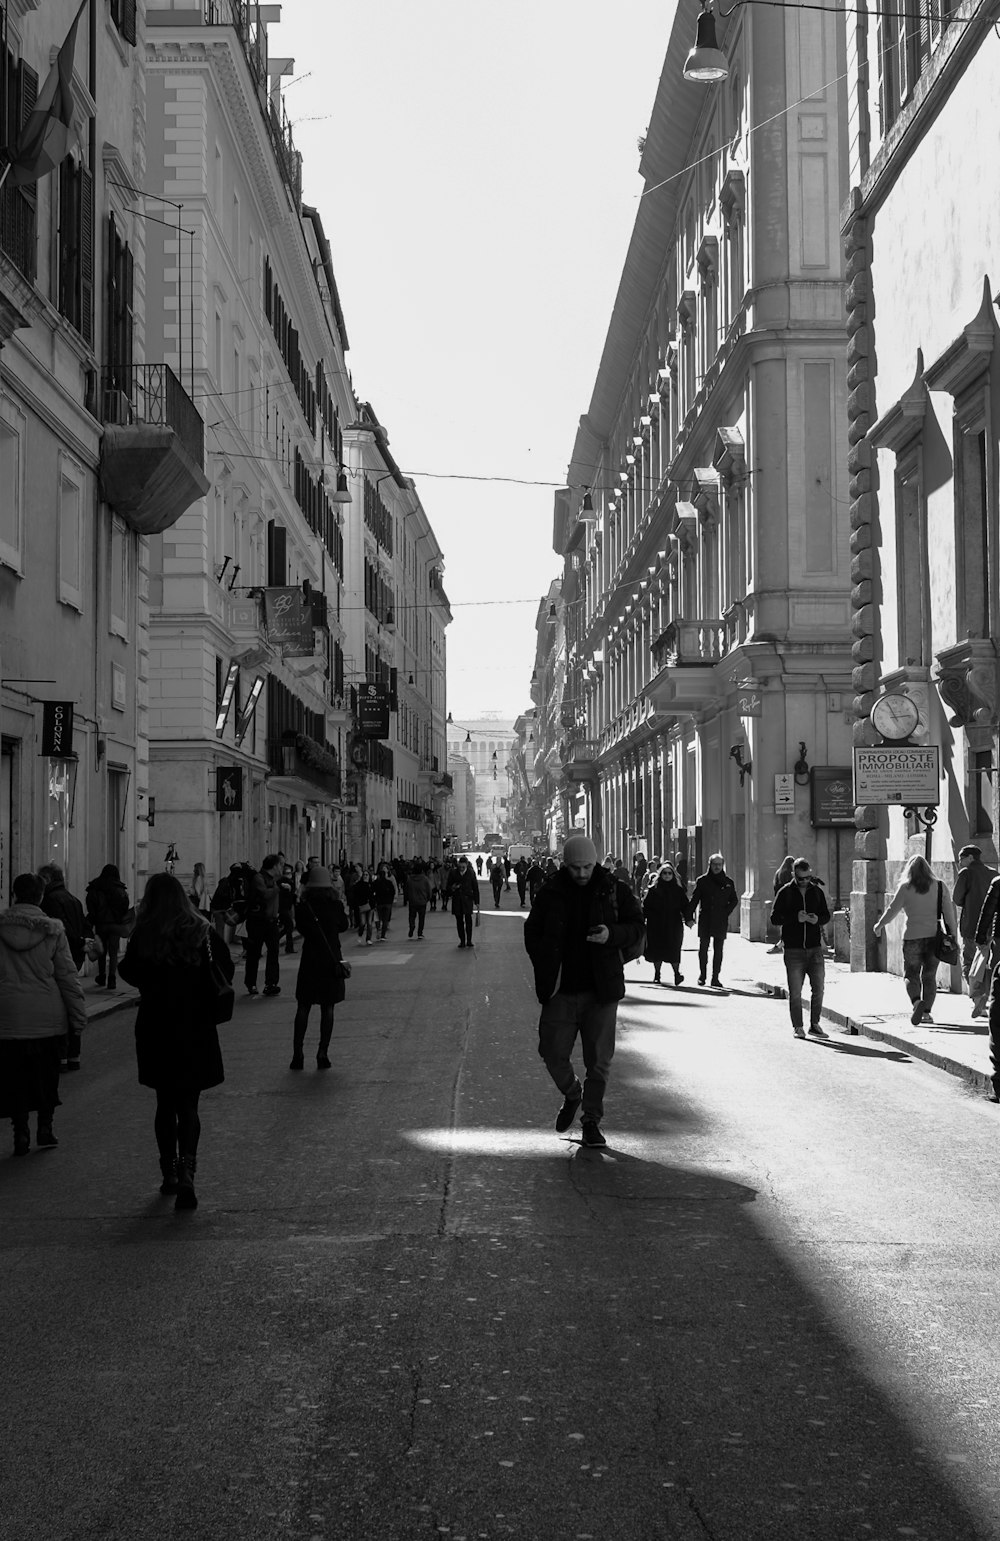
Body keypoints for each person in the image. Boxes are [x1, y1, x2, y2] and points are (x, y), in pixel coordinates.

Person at [118, 873, 234, 1210]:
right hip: (195, 1025)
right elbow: (224, 968)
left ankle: (168, 1172)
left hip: (157, 1025)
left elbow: (129, 972)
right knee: (189, 1104)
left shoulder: (146, 933)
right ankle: (188, 1170)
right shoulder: (201, 931)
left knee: (165, 1103)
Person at [523, 834, 644, 1148]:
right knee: (550, 1051)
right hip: (560, 990)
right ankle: (572, 1093)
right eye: (575, 867)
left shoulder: (613, 889)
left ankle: (591, 1121)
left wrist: (611, 935)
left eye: (587, 866)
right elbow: (532, 932)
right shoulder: (550, 891)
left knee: (599, 1062)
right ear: (565, 864)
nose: (581, 873)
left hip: (600, 991)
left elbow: (637, 927)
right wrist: (546, 959)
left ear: (595, 862)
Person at [0, 873, 87, 1156]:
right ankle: (45, 1128)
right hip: (47, 1019)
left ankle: (21, 1131)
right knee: (47, 1074)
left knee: (14, 1077)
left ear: (14, 895)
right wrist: (77, 1016)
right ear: (39, 897)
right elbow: (67, 977)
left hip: (9, 1017)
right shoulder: (53, 931)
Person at [873, 854, 958, 1026]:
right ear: (928, 869)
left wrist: (879, 925)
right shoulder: (940, 886)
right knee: (929, 976)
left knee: (911, 973)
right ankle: (926, 1013)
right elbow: (949, 914)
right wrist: (954, 936)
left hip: (912, 936)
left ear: (909, 870)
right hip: (934, 936)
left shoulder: (905, 888)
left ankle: (916, 1002)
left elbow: (892, 909)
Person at [290, 866, 350, 1070]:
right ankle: (322, 1052)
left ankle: (297, 1053)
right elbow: (344, 926)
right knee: (328, 1007)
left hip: (310, 959)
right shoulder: (335, 905)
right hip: (331, 959)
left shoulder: (303, 907)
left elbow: (302, 929)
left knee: (303, 1006)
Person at [770, 857, 832, 1039]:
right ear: (793, 875)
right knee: (795, 991)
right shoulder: (785, 892)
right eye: (801, 878)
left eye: (807, 877)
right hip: (794, 950)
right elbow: (775, 918)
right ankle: (798, 1026)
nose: (805, 881)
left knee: (818, 988)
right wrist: (794, 918)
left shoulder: (816, 892)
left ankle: (815, 1024)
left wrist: (817, 920)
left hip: (814, 948)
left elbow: (826, 915)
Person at [953, 844, 997, 1019]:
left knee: (970, 961)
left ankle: (978, 997)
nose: (960, 862)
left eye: (961, 858)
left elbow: (957, 899)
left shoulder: (966, 873)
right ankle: (988, 995)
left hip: (972, 925)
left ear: (970, 858)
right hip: (992, 927)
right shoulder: (994, 873)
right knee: (989, 963)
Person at [688, 852, 739, 988]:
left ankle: (715, 977)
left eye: (719, 865)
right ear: (709, 865)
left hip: (720, 920)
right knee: (703, 947)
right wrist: (688, 916)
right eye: (714, 864)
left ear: (723, 865)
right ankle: (702, 975)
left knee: (718, 949)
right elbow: (694, 900)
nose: (717, 867)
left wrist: (726, 911)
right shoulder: (702, 881)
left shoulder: (728, 882)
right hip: (706, 918)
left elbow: (734, 900)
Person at [642, 861, 690, 986]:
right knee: (657, 949)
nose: (667, 875)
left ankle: (677, 974)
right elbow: (645, 906)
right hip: (656, 924)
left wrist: (689, 918)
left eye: (669, 873)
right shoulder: (653, 890)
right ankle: (657, 974)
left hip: (673, 924)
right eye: (664, 873)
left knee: (674, 949)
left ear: (673, 875)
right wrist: (641, 921)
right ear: (660, 875)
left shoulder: (678, 890)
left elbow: (685, 906)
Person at [85, 863, 132, 989]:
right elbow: (124, 906)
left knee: (101, 950)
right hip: (115, 925)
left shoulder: (96, 887)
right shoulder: (120, 889)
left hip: (101, 924)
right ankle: (112, 978)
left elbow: (91, 905)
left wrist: (94, 918)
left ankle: (101, 976)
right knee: (113, 952)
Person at [242, 855, 282, 996]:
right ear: (274, 866)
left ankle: (271, 983)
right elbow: (265, 894)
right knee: (254, 953)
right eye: (280, 865)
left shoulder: (273, 880)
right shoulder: (259, 878)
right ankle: (251, 983)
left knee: (273, 953)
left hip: (271, 921)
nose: (282, 868)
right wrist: (278, 888)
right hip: (257, 921)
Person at [446, 855, 480, 948]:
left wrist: (477, 901)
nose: (461, 869)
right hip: (457, 900)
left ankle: (469, 940)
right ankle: (462, 940)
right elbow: (448, 886)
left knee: (468, 920)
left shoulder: (471, 873)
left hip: (467, 899)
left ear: (466, 865)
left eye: (463, 867)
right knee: (459, 921)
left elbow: (475, 888)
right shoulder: (453, 873)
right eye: (460, 867)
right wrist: (452, 888)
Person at [209, 864, 244, 943]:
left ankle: (220, 945)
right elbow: (221, 896)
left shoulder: (232, 882)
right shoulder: (226, 882)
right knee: (220, 928)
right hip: (218, 908)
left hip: (222, 908)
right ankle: (219, 946)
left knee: (221, 928)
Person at [768, 857, 795, 953]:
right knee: (788, 924)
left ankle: (781, 943)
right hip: (788, 902)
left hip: (779, 901)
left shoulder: (778, 873)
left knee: (783, 924)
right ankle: (782, 943)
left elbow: (775, 887)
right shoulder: (789, 874)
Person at [405, 862, 431, 939]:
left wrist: (407, 898)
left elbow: (406, 889)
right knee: (421, 918)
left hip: (412, 901)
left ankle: (412, 926)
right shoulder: (425, 879)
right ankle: (420, 933)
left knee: (412, 916)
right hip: (422, 901)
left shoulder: (409, 879)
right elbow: (429, 890)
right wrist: (427, 898)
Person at [373, 864, 396, 940]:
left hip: (379, 903)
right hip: (387, 903)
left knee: (378, 918)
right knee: (385, 920)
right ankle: (383, 935)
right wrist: (391, 900)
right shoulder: (389, 882)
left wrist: (375, 900)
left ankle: (378, 930)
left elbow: (373, 892)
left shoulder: (376, 883)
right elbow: (393, 892)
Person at [278, 864, 297, 954]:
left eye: (290, 873)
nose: (288, 875)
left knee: (288, 927)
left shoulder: (289, 882)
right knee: (289, 926)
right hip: (283, 907)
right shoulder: (283, 882)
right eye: (286, 873)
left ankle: (289, 947)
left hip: (287, 907)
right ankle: (288, 946)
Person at [354, 869, 375, 944]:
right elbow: (356, 894)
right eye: (364, 875)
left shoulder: (371, 885)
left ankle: (368, 939)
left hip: (370, 906)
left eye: (367, 875)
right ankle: (360, 934)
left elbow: (373, 895)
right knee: (362, 923)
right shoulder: (359, 885)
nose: (365, 876)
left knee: (369, 923)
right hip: (362, 905)